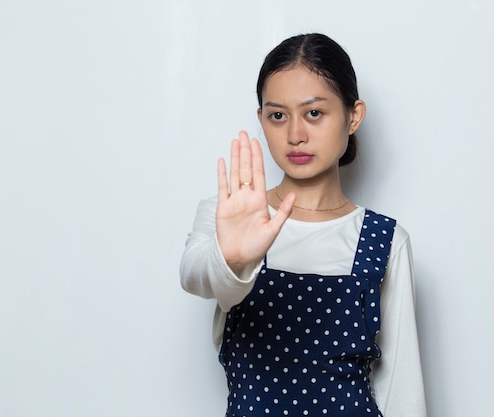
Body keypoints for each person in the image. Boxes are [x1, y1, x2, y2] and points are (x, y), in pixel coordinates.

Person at [180, 33, 426, 417]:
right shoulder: (231, 217)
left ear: (353, 116)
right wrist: (233, 257)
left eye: (314, 113)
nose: (295, 134)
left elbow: (402, 388)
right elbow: (196, 276)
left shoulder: (385, 240)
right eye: (278, 115)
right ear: (261, 119)